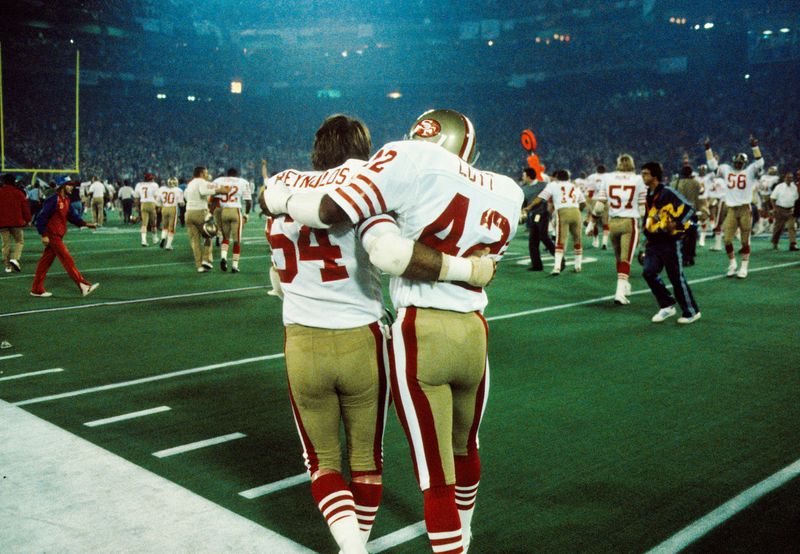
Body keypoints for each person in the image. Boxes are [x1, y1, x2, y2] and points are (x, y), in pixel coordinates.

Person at [266, 108, 522, 554]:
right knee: (424, 454)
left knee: (330, 462)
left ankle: (354, 548)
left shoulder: (284, 181)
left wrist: (282, 199)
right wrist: (471, 269)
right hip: (436, 333)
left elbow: (288, 264)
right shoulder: (506, 188)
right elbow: (389, 248)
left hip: (319, 338)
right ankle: (462, 533)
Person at [640, 162, 700, 324]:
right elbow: (648, 219)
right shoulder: (648, 195)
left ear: (654, 175)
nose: (643, 176)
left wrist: (677, 223)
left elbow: (689, 210)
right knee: (649, 272)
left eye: (645, 173)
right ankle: (667, 304)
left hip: (670, 242)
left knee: (676, 278)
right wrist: (645, 239)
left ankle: (691, 311)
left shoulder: (668, 192)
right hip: (653, 242)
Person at [704, 137, 765, 278]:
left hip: (744, 208)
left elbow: (760, 162)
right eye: (736, 162)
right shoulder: (726, 169)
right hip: (731, 208)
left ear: (744, 163)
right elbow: (712, 165)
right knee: (727, 239)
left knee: (744, 240)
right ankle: (732, 263)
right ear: (733, 162)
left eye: (740, 162)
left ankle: (744, 267)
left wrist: (755, 147)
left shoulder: (749, 171)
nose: (738, 164)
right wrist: (708, 149)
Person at [30, 176, 99, 297]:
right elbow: (41, 217)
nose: (71, 187)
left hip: (58, 235)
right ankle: (83, 285)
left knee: (44, 263)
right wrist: (44, 234)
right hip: (53, 235)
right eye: (69, 185)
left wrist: (86, 224)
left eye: (72, 185)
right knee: (67, 260)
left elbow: (72, 217)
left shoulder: (66, 200)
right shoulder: (53, 200)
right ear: (62, 186)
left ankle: (36, 288)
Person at [592, 153, 646, 304]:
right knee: (626, 259)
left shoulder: (607, 177)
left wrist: (592, 222)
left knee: (619, 258)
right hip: (629, 222)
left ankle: (625, 287)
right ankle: (619, 294)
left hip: (613, 223)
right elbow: (642, 209)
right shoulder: (638, 179)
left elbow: (598, 207)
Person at [525, 169, 585, 275]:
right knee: (577, 239)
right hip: (576, 212)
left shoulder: (553, 185)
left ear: (557, 177)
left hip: (562, 211)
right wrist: (577, 211)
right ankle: (578, 266)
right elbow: (583, 202)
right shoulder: (574, 185)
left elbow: (540, 198)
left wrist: (529, 207)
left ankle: (557, 267)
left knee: (560, 241)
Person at [184, 167, 228, 272]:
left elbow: (185, 197)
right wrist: (218, 190)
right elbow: (204, 191)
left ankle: (199, 266)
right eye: (206, 172)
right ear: (202, 173)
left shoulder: (190, 184)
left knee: (195, 241)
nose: (207, 174)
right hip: (200, 211)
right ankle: (206, 259)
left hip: (189, 212)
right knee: (209, 234)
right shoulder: (202, 182)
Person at [212, 168, 252, 272]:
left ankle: (223, 257)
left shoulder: (219, 180)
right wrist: (246, 214)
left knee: (225, 237)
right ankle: (234, 265)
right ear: (236, 174)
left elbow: (212, 198)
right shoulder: (242, 182)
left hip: (224, 211)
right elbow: (248, 201)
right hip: (235, 210)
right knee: (236, 240)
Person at [520, 167, 554, 271]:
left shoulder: (543, 185)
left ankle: (560, 259)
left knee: (544, 237)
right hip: (532, 217)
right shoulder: (523, 189)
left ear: (529, 177)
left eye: (524, 175)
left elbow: (551, 197)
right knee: (533, 242)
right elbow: (523, 203)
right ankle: (537, 265)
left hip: (542, 215)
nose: (522, 177)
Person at [1, 174, 31, 273]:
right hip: (16, 222)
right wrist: (28, 219)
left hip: (2, 223)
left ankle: (7, 266)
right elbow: (25, 208)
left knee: (6, 244)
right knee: (19, 241)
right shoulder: (19, 193)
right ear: (14, 182)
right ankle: (15, 258)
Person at [673, 165, 702, 266]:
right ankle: (690, 256)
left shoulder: (674, 183)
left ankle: (679, 255)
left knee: (679, 234)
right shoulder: (696, 183)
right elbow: (698, 196)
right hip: (691, 212)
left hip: (678, 213)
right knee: (691, 235)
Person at [770, 172, 799, 251]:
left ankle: (793, 244)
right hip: (780, 209)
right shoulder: (779, 187)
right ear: (784, 178)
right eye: (788, 177)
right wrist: (775, 209)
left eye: (791, 177)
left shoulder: (794, 187)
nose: (790, 179)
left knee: (792, 227)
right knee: (778, 228)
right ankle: (775, 243)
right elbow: (772, 199)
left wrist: (794, 208)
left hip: (791, 210)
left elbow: (796, 199)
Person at [134, 173, 161, 246]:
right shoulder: (154, 185)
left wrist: (136, 207)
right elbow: (156, 196)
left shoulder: (139, 185)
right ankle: (154, 239)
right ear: (151, 179)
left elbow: (136, 197)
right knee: (153, 224)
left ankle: (143, 240)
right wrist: (158, 206)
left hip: (143, 204)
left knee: (144, 224)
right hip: (151, 203)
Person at [158, 177, 184, 250]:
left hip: (164, 208)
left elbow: (158, 200)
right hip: (173, 208)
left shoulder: (162, 189)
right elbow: (181, 203)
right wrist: (183, 203)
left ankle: (163, 238)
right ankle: (168, 245)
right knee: (171, 228)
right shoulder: (178, 190)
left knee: (164, 226)